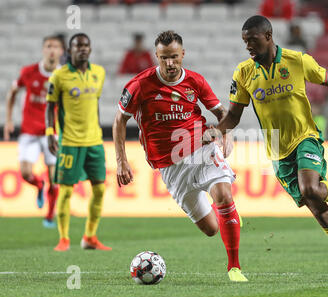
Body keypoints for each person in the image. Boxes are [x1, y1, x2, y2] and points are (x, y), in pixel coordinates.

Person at [205, 15, 328, 284]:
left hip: (306, 138)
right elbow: (235, 115)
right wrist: (216, 131)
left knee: (309, 188)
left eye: (253, 40)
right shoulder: (244, 73)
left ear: (269, 36)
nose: (248, 45)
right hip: (277, 150)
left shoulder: (297, 60)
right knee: (319, 210)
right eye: (244, 41)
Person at [113, 30, 247, 282]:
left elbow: (221, 113)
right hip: (169, 166)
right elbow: (120, 119)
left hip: (200, 149)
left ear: (183, 54)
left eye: (174, 57)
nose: (170, 63)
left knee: (224, 194)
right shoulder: (140, 85)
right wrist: (121, 160)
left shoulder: (195, 81)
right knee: (210, 229)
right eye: (164, 58)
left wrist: (225, 136)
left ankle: (234, 268)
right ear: (157, 56)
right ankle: (226, 219)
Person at [46, 33, 111, 252]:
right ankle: (64, 238)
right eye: (78, 46)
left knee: (100, 190)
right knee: (65, 191)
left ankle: (90, 237)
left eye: (86, 45)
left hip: (94, 142)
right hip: (70, 142)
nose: (83, 49)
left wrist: (99, 130)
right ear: (70, 50)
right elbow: (50, 106)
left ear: (90, 49)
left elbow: (96, 104)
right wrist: (49, 133)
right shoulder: (59, 76)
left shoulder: (98, 73)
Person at [3, 35, 64, 228]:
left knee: (55, 178)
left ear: (61, 52)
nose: (52, 50)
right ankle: (39, 185)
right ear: (43, 50)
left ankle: (49, 216)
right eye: (48, 46)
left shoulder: (64, 76)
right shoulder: (28, 72)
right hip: (29, 131)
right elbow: (12, 93)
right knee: (26, 173)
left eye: (56, 47)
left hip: (51, 133)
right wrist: (9, 120)